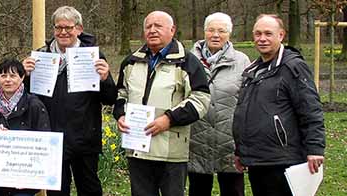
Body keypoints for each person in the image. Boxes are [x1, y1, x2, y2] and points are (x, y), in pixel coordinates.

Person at [21, 6, 117, 196]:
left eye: (68, 27)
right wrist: (24, 75)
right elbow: (28, 98)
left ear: (79, 29)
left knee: (89, 188)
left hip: (85, 137)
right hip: (52, 136)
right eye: (58, 27)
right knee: (57, 191)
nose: (63, 32)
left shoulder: (93, 56)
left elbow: (109, 98)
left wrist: (105, 78)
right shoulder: (41, 56)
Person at [113, 11, 210, 196]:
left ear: (172, 30)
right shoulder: (131, 61)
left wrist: (169, 119)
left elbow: (201, 99)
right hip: (137, 150)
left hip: (171, 152)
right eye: (148, 26)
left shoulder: (187, 62)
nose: (152, 30)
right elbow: (121, 93)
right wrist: (121, 114)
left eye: (158, 26)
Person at [232, 14, 325, 196]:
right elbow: (246, 113)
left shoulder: (293, 67)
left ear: (281, 35)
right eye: (258, 34)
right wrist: (241, 151)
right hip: (257, 160)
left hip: (283, 160)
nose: (262, 39)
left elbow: (310, 109)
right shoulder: (252, 71)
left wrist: (315, 149)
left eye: (268, 33)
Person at [187, 12, 250, 196]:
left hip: (230, 141)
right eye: (211, 30)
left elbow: (246, 101)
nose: (216, 35)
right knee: (198, 190)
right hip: (196, 138)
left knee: (234, 190)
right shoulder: (189, 59)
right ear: (204, 32)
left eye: (221, 31)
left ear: (229, 34)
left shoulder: (242, 61)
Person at [0, 58, 50, 196]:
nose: (8, 80)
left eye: (13, 75)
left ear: (22, 77)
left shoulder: (35, 105)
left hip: (24, 182)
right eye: (3, 76)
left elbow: (44, 144)